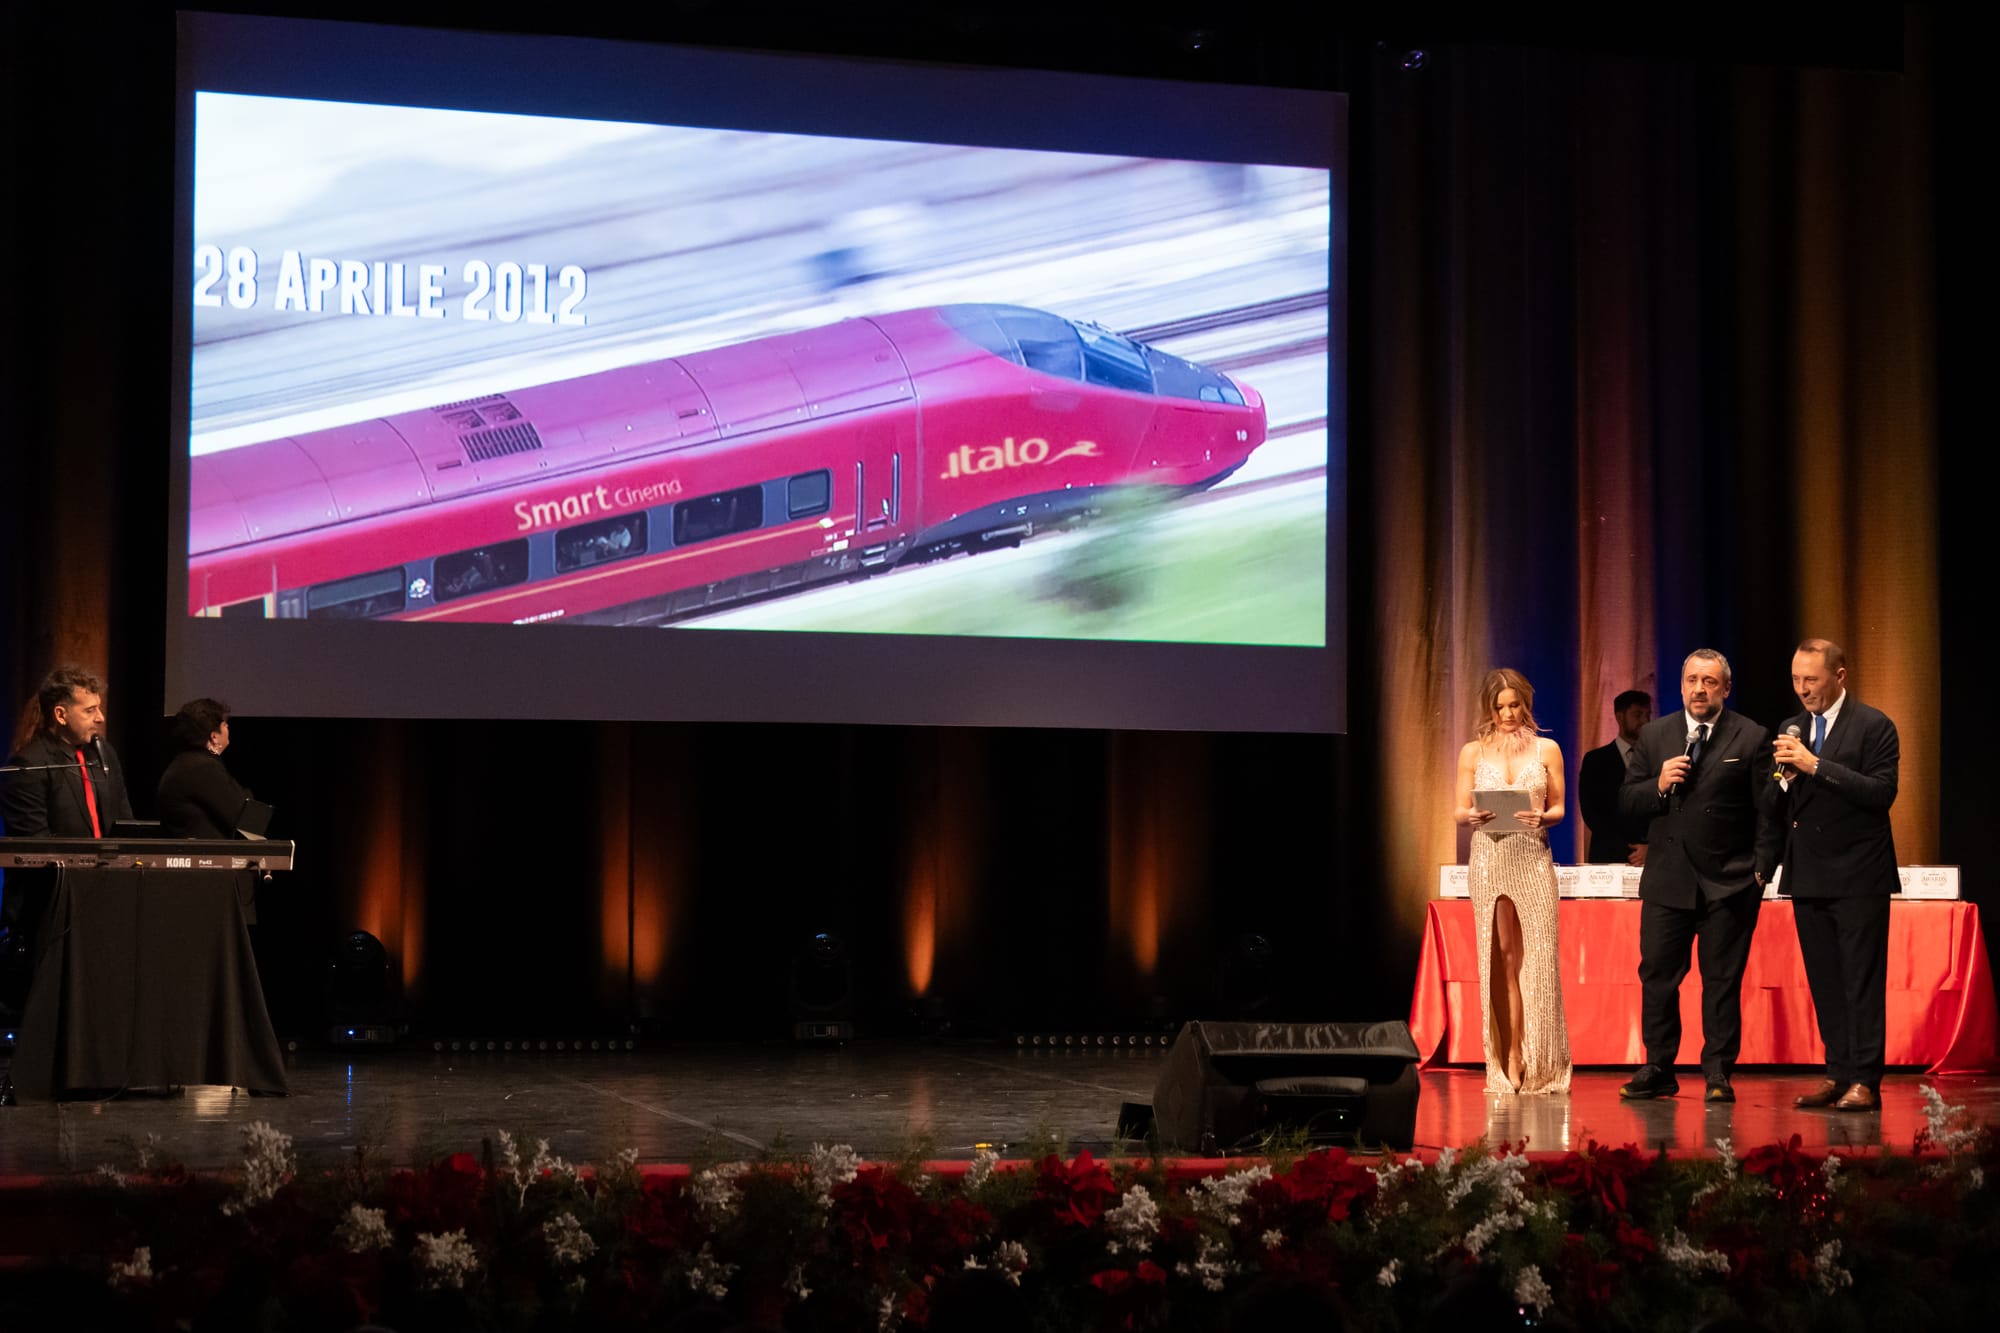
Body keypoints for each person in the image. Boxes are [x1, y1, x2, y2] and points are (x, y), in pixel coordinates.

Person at [1615, 650, 1782, 1104]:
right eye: (1692, 680)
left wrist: (1762, 871)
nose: (1699, 689)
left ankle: (1718, 1071)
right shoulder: (1655, 735)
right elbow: (1627, 801)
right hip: (1669, 879)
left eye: (1710, 681)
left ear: (1725, 688)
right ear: (1682, 684)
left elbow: (1768, 811)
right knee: (1658, 977)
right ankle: (1658, 1066)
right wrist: (1658, 783)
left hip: (1729, 881)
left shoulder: (1751, 736)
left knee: (1721, 981)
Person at [1776, 638, 1900, 1113]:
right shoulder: (1794, 728)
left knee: (1860, 980)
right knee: (1825, 980)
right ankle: (1839, 1071)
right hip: (1808, 872)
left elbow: (1880, 793)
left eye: (1812, 679)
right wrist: (1782, 777)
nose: (1803, 689)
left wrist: (1814, 765)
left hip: (1858, 875)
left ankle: (1866, 1078)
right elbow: (1779, 800)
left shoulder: (1874, 726)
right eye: (1796, 680)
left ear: (1839, 676)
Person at [1453, 668, 1571, 1094]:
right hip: (1488, 858)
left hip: (1533, 858)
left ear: (1526, 704)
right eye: (1500, 707)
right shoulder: (1472, 752)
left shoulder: (1547, 748)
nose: (1507, 713)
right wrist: (1473, 816)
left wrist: (1544, 816)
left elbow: (1559, 807)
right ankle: (1508, 1057)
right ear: (1490, 708)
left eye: (1514, 705)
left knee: (1538, 959)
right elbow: (1458, 811)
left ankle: (1541, 1059)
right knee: (1500, 957)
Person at [1, 667, 134, 840]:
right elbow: (35, 846)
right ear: (61, 715)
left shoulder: (104, 753)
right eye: (89, 710)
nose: (100, 717)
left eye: (98, 708)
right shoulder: (29, 765)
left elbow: (125, 823)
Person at [157, 698, 253, 839]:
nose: (228, 729)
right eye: (225, 725)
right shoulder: (202, 768)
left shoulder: (188, 763)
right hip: (204, 856)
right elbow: (244, 818)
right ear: (214, 736)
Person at [1579, 689, 1652, 865]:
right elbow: (1591, 812)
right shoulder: (1595, 760)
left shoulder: (1658, 758)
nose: (1645, 721)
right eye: (1637, 715)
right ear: (1619, 717)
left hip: (1651, 856)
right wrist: (1629, 848)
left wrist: (1650, 846)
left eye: (1648, 715)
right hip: (1609, 855)